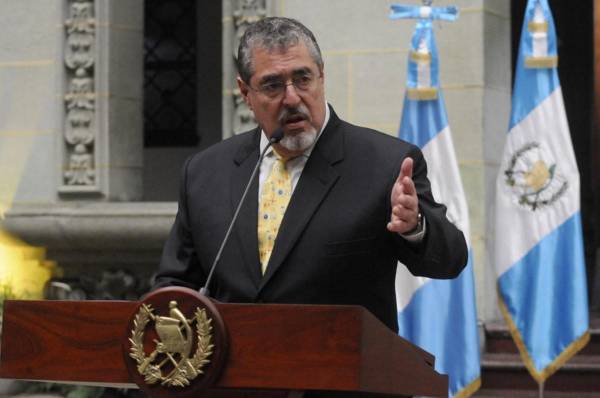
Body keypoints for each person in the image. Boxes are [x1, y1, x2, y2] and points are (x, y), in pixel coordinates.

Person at [155, 17, 467, 397]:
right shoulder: (205, 173)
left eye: (303, 79)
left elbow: (449, 260)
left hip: (344, 386)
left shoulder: (385, 163)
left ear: (321, 76)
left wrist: (416, 226)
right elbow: (175, 285)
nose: (291, 97)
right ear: (244, 92)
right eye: (272, 84)